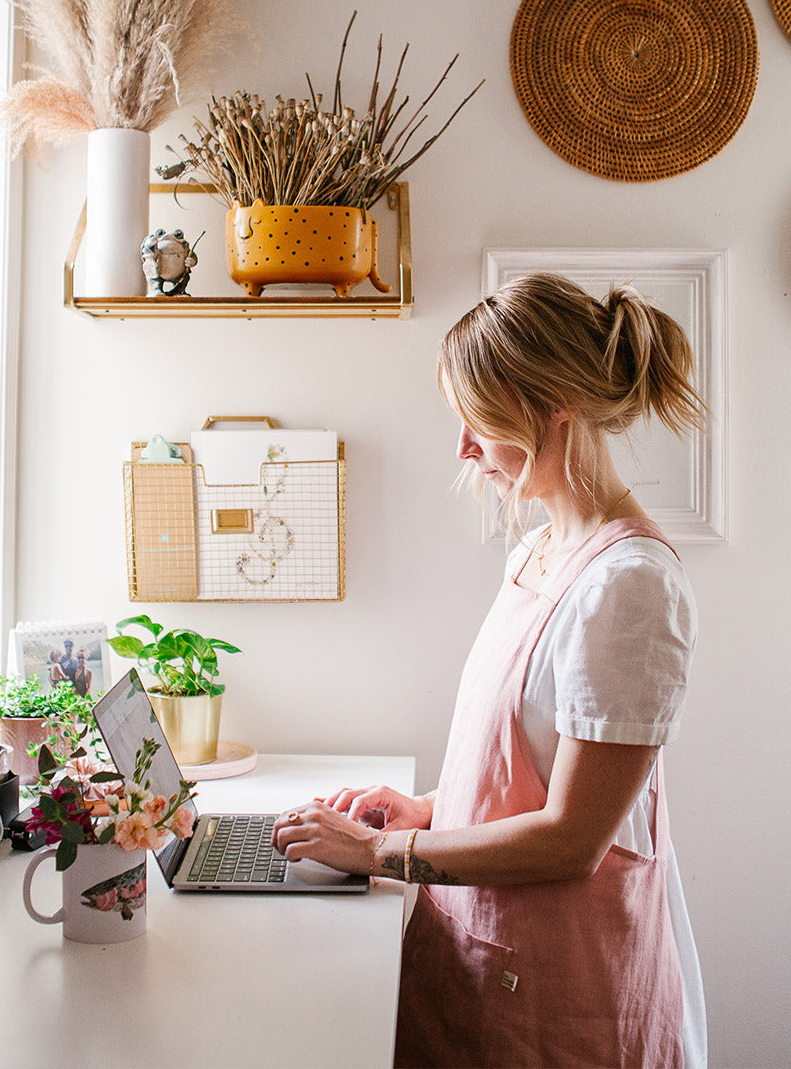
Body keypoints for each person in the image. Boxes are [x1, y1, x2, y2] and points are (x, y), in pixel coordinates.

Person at [271, 274, 707, 1069]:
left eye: (479, 422)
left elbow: (574, 838)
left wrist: (378, 857)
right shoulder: (539, 553)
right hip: (479, 961)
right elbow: (528, 769)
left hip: (555, 998)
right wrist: (425, 809)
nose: (464, 448)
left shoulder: (630, 586)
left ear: (552, 409)